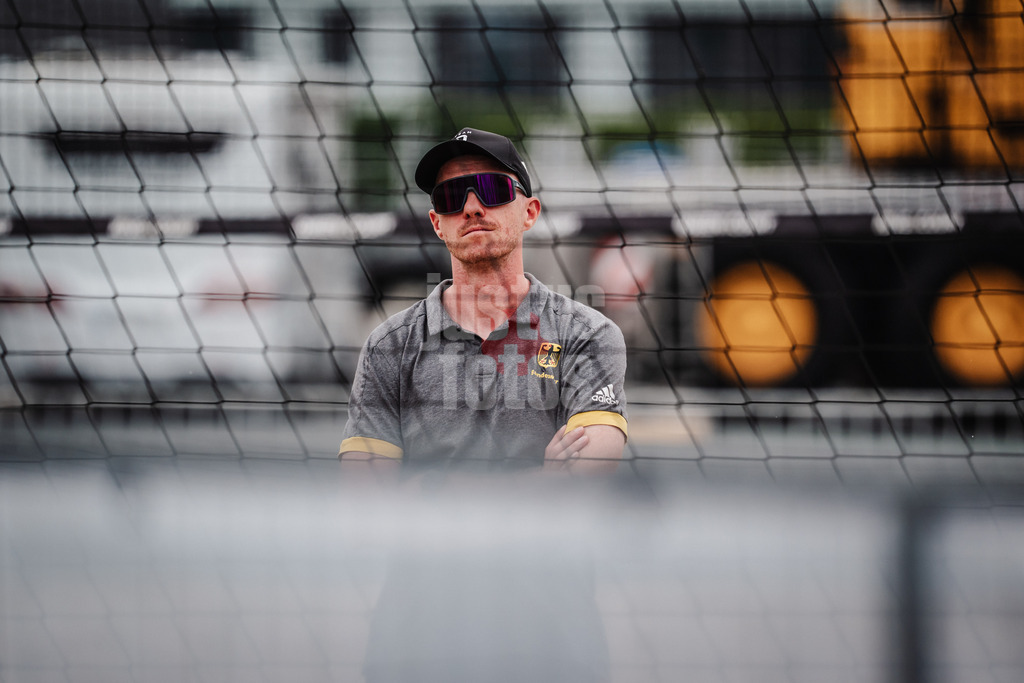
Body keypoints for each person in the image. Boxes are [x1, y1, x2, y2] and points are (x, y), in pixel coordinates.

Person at [338, 127, 628, 473]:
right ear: (436, 224)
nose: (472, 207)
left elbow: (590, 475)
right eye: (450, 196)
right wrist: (541, 479)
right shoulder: (389, 345)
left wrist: (425, 487)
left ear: (530, 212)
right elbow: (365, 498)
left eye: (493, 189)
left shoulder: (586, 334)